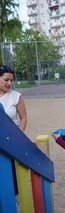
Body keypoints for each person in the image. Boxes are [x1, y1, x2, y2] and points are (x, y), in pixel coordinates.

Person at [0, 64, 27, 197]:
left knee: (12, 174)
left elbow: (23, 118)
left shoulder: (16, 96)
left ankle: (14, 199)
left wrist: (19, 135)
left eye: (11, 80)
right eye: (6, 80)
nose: (10, 83)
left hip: (12, 143)